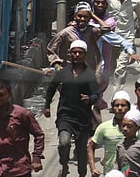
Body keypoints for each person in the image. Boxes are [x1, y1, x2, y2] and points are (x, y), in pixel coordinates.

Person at [44, 40, 99, 177]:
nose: (77, 55)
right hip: (65, 115)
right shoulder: (63, 73)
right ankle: (64, 165)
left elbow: (96, 94)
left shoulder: (89, 75)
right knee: (64, 142)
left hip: (82, 118)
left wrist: (90, 99)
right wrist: (46, 106)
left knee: (81, 152)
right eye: (74, 52)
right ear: (70, 54)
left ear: (85, 55)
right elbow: (51, 88)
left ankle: (82, 174)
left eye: (80, 52)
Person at [0, 80, 45, 177]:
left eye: (2, 95)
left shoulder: (22, 114)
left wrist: (36, 158)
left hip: (19, 168)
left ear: (10, 95)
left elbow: (39, 135)